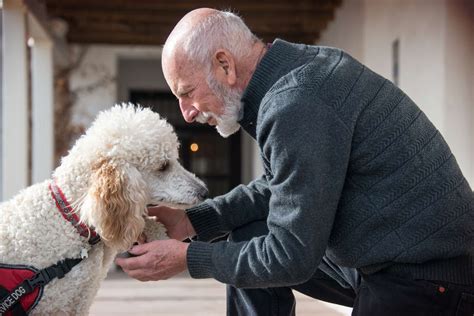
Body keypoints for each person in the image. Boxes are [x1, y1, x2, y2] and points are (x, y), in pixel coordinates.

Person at [115, 8, 474, 315]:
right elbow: (279, 188)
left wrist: (187, 259)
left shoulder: (295, 103)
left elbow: (291, 256)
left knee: (261, 251)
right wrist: (192, 222)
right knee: (248, 232)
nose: (187, 114)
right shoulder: (294, 76)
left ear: (224, 64)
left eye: (187, 93)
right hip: (380, 258)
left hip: (429, 278)